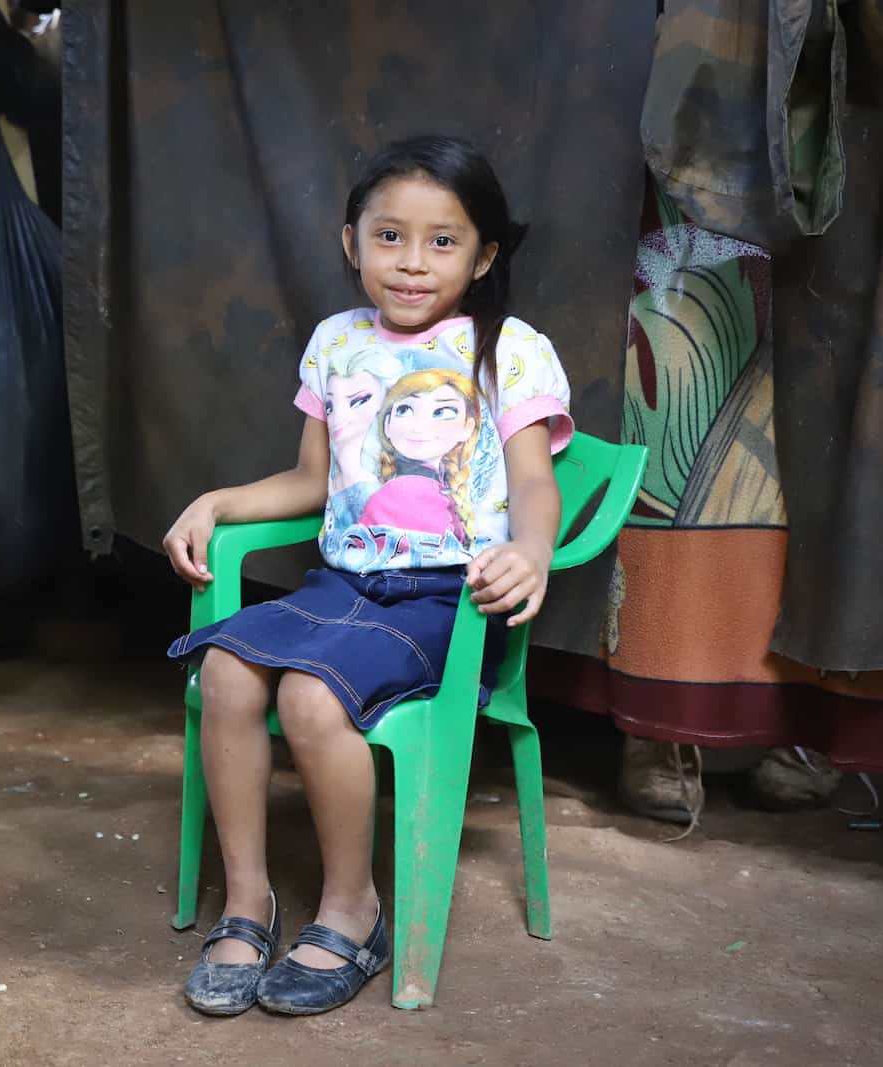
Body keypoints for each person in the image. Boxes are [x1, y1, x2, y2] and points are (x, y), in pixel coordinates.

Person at [161, 135, 573, 1016]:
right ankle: (248, 901)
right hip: (343, 585)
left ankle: (355, 906)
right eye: (389, 237)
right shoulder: (336, 343)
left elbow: (535, 483)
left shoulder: (509, 348)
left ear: (485, 253)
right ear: (351, 241)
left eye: (442, 240)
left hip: (449, 602)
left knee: (311, 697)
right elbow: (313, 482)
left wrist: (532, 550)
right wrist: (219, 500)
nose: (413, 263)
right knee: (229, 670)